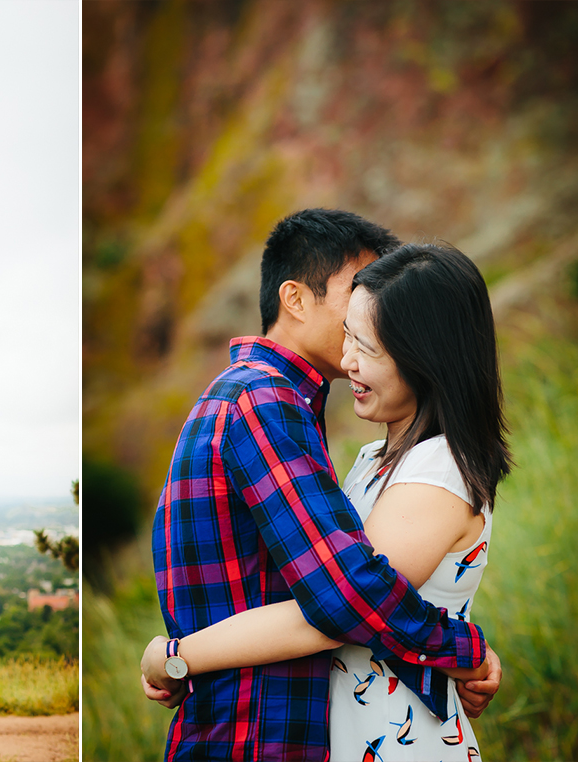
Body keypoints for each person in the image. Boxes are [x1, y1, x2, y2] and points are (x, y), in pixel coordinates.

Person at [143, 210, 502, 761]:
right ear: (295, 299)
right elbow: (346, 594)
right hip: (253, 729)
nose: (354, 345)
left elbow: (344, 595)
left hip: (309, 729)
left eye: (373, 338)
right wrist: (463, 648)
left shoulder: (408, 458)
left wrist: (174, 655)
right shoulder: (266, 404)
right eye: (353, 315)